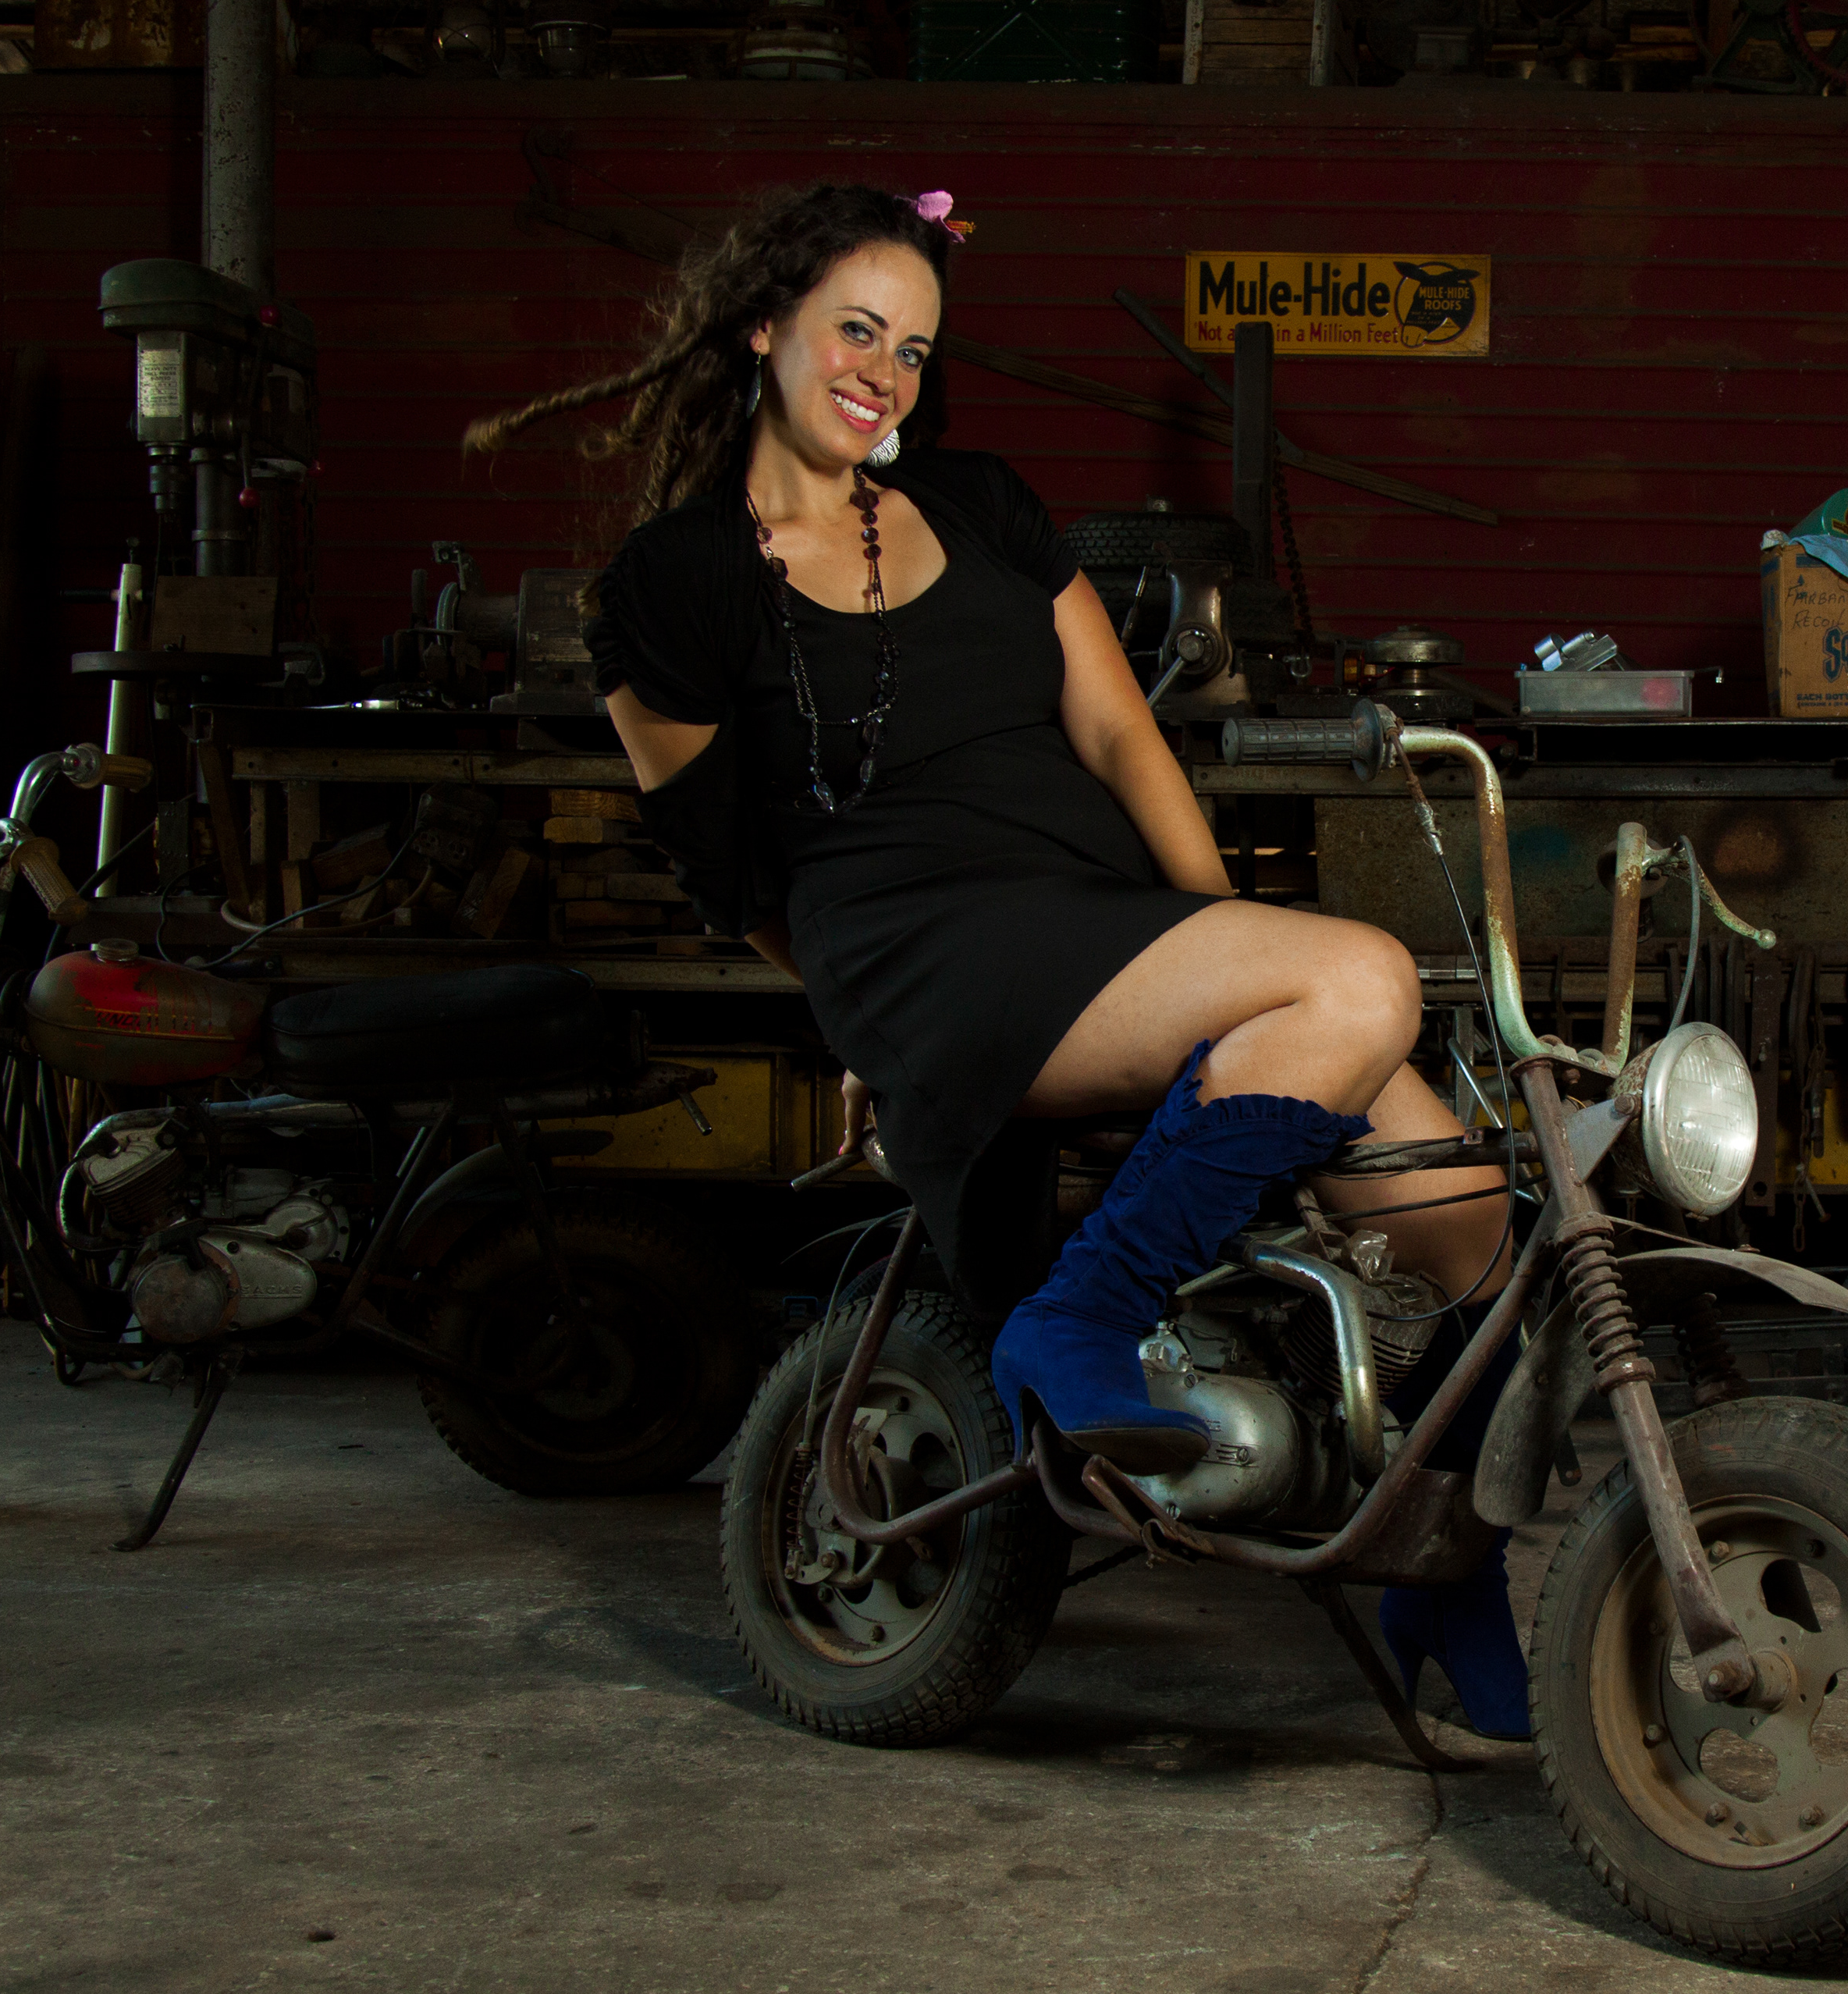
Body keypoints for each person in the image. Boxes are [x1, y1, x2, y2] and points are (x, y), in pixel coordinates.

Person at [466, 181, 1526, 1737]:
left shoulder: (983, 506)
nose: (882, 373)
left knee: (1468, 1220)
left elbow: (1116, 728)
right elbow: (724, 864)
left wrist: (1229, 939)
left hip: (1091, 918)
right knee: (1363, 979)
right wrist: (866, 1009)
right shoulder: (673, 582)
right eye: (854, 330)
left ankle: (1441, 1574)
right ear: (764, 328)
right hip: (916, 950)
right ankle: (1074, 1318)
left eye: (912, 347)